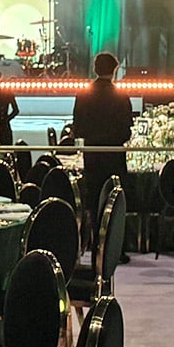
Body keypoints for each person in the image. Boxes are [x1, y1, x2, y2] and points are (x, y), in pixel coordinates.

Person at [71, 51, 135, 223]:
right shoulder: (121, 96)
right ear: (114, 70)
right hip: (114, 154)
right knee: (114, 199)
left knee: (94, 198)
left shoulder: (83, 95)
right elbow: (126, 130)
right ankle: (114, 244)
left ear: (95, 68)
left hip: (92, 153)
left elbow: (78, 128)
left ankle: (94, 241)